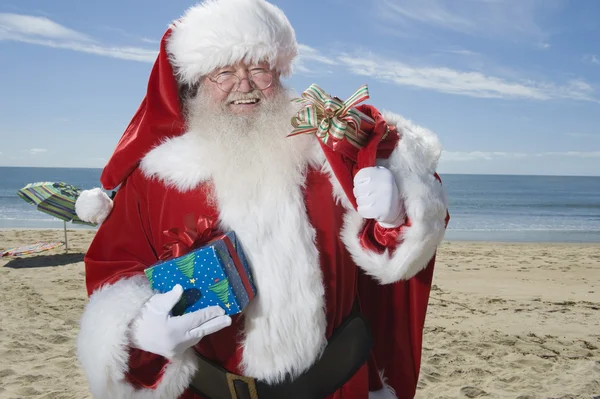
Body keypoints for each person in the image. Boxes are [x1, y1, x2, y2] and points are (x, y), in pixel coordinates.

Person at [74, 0, 449, 398]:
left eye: (258, 68)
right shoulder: (157, 176)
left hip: (337, 387)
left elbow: (410, 217)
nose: (244, 84)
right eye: (224, 72)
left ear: (279, 71)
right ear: (198, 81)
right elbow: (115, 263)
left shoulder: (327, 150)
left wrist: (395, 212)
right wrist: (138, 328)